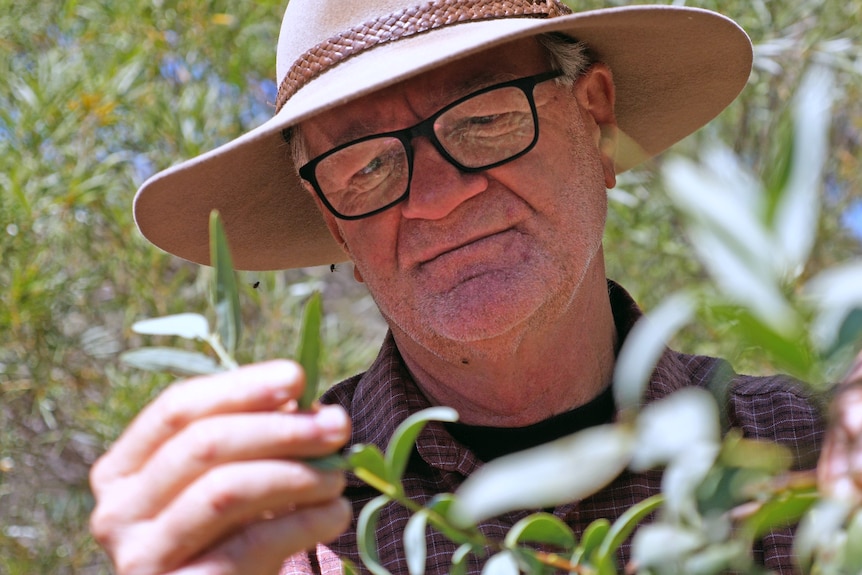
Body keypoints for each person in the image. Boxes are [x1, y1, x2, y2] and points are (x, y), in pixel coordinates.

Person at [89, 1, 832, 574]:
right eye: (366, 167)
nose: (437, 197)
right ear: (334, 222)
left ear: (596, 118)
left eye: (483, 120)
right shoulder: (276, 528)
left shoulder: (815, 460)